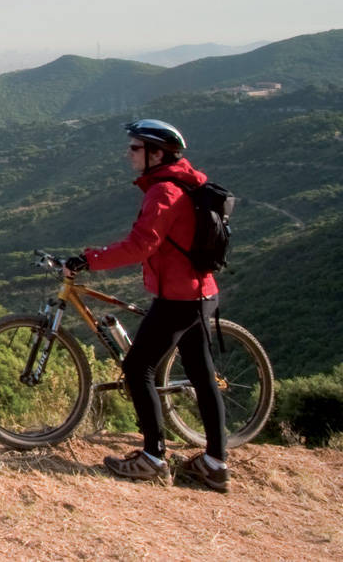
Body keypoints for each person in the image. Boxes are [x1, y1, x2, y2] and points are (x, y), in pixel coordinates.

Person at [63, 118, 229, 492]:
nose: (128, 154)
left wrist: (88, 259)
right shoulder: (181, 182)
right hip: (201, 292)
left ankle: (153, 458)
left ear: (157, 154)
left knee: (138, 367)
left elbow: (140, 245)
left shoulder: (165, 192)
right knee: (202, 376)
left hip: (179, 298)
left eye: (135, 148)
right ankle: (215, 464)